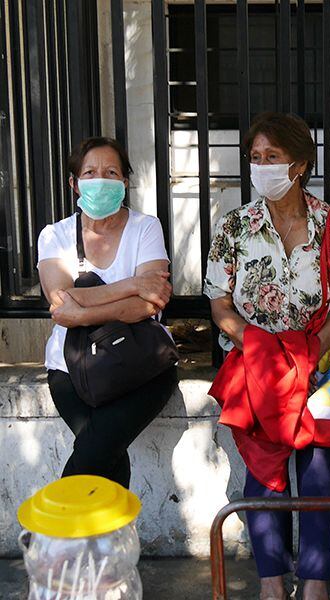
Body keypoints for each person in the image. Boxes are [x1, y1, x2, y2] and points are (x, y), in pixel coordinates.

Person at [204, 112, 330, 600]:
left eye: (271, 157)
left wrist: (311, 351)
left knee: (318, 466)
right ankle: (271, 584)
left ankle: (315, 584)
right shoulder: (235, 227)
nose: (261, 167)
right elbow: (219, 304)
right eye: (255, 158)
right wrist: (258, 347)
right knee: (262, 469)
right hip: (254, 368)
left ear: (299, 165)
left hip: (316, 366)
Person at [37, 137, 178, 489]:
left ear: (125, 182)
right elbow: (59, 301)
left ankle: (59, 536)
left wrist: (82, 312)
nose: (101, 179)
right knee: (105, 451)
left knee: (98, 451)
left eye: (111, 172)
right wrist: (132, 284)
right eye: (90, 172)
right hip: (72, 370)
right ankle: (108, 542)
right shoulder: (54, 236)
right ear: (74, 183)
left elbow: (150, 303)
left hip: (144, 366)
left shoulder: (146, 228)